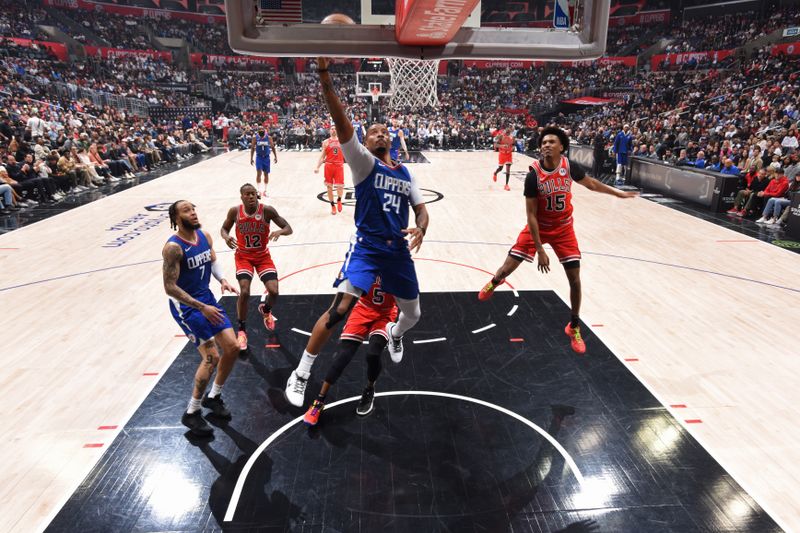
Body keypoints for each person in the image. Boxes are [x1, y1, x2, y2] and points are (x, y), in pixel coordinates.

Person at [284, 56, 430, 408]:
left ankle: (395, 335)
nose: (381, 132)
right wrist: (323, 76)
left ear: (392, 138)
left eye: (385, 130)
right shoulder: (363, 161)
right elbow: (341, 120)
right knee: (340, 309)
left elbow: (422, 210)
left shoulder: (406, 174)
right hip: (366, 247)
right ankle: (302, 372)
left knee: (413, 316)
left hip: (397, 251)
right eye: (373, 131)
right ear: (364, 141)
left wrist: (421, 228)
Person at [477, 127, 637, 354]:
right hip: (538, 228)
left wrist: (617, 193)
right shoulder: (534, 175)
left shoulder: (569, 167)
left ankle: (574, 326)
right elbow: (531, 215)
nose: (546, 145)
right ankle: (495, 281)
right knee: (506, 269)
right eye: (544, 142)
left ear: (561, 147)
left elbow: (591, 184)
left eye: (552, 141)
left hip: (563, 229)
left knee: (575, 280)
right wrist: (540, 249)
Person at [162, 200, 240, 436]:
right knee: (211, 357)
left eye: (193, 208)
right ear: (176, 219)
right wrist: (200, 307)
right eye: (186, 210)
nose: (193, 212)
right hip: (187, 307)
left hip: (207, 299)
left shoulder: (204, 236)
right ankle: (192, 412)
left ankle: (214, 397)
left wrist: (222, 279)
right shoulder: (173, 248)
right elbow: (169, 287)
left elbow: (213, 259)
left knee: (233, 347)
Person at [303, 277, 398, 425]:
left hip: (386, 314)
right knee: (343, 356)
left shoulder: (399, 264)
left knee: (373, 354)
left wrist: (400, 330)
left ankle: (369, 389)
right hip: (363, 309)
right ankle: (319, 401)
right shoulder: (367, 258)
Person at [220, 183, 293, 351]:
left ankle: (266, 311)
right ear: (242, 197)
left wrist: (279, 232)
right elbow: (224, 228)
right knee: (244, 291)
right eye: (247, 194)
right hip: (243, 256)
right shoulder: (235, 211)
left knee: (274, 291)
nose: (251, 196)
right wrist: (226, 237)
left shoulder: (267, 210)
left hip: (262, 257)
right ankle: (242, 331)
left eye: (253, 193)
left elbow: (288, 228)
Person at [315, 126, 345, 215]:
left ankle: (339, 200)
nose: (333, 130)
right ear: (329, 131)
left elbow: (348, 154)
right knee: (329, 187)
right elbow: (322, 156)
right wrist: (317, 167)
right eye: (332, 128)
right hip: (329, 166)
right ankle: (332, 205)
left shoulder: (342, 141)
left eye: (335, 128)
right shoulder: (326, 142)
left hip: (339, 166)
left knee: (340, 186)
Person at [250, 128, 278, 196]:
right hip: (259, 157)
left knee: (266, 174)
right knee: (259, 173)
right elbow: (252, 148)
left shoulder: (269, 137)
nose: (261, 137)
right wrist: (251, 158)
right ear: (258, 134)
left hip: (266, 157)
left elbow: (273, 147)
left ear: (265, 133)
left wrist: (275, 156)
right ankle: (259, 190)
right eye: (260, 135)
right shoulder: (255, 138)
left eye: (263, 135)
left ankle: (265, 191)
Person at [493, 127, 516, 191]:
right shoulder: (501, 136)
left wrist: (512, 148)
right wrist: (502, 146)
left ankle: (506, 185)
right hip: (502, 154)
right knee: (500, 168)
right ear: (505, 132)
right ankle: (495, 173)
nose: (507, 133)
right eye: (507, 132)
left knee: (508, 169)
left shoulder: (513, 137)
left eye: (509, 132)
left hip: (509, 154)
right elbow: (495, 145)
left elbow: (514, 145)